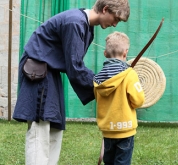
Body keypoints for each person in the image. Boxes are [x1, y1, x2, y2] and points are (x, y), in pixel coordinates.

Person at [13, 0, 130, 164]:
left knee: (54, 128)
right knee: (40, 129)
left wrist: (102, 85)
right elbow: (75, 66)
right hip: (38, 72)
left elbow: (74, 65)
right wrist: (102, 86)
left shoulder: (86, 26)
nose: (115, 24)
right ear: (105, 9)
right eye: (116, 18)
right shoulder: (75, 22)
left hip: (51, 72)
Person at [93, 31, 145, 165]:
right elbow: (138, 101)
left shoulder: (98, 78)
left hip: (108, 130)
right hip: (125, 131)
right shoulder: (129, 74)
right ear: (125, 53)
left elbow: (98, 100)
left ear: (105, 53)